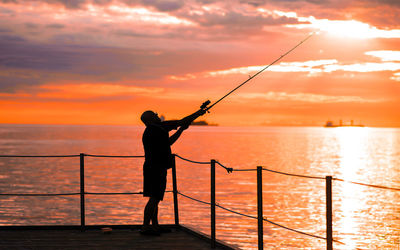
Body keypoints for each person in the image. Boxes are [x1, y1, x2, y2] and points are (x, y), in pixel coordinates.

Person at [139, 107, 206, 235]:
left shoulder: (152, 130)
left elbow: (168, 142)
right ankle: (145, 227)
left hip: (152, 167)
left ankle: (154, 226)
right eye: (154, 114)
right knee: (154, 198)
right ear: (151, 119)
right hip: (156, 168)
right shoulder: (158, 127)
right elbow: (182, 120)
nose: (157, 114)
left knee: (155, 197)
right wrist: (199, 113)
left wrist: (181, 130)